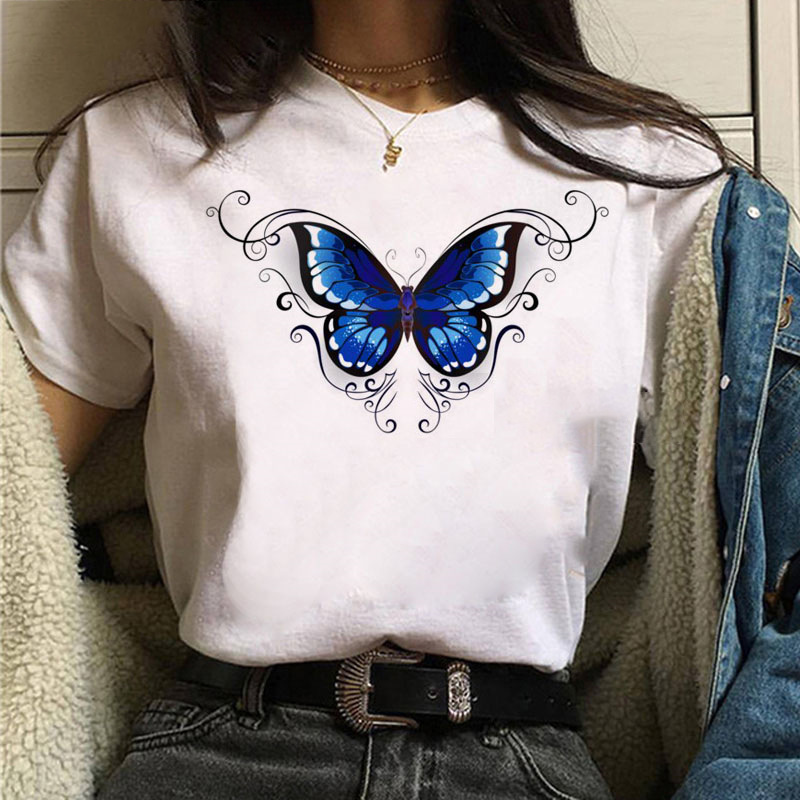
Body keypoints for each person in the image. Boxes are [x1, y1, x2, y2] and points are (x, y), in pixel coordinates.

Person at [0, 1, 775, 798]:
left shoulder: (653, 174)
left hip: (520, 757)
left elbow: (767, 539)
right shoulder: (133, 149)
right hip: (223, 752)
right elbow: (15, 490)